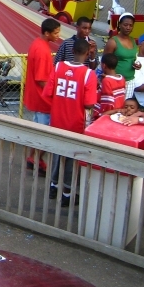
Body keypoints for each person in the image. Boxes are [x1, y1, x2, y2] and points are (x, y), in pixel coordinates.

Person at [42, 38, 97, 204]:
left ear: (72, 51)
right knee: (72, 158)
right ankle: (66, 194)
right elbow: (89, 103)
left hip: (57, 120)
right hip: (75, 123)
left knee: (56, 154)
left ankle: (53, 185)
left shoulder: (58, 67)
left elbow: (47, 93)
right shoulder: (89, 74)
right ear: (87, 53)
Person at [24, 19, 62, 171]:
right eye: (56, 33)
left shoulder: (37, 44)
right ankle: (36, 158)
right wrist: (56, 94)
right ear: (47, 33)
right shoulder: (42, 50)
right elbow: (41, 79)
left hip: (38, 98)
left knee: (39, 131)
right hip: (43, 100)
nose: (58, 35)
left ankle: (33, 158)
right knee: (47, 133)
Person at [104, 13, 138, 81]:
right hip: (116, 80)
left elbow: (133, 59)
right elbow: (104, 62)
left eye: (131, 25)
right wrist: (110, 79)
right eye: (125, 25)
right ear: (119, 25)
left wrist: (137, 65)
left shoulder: (133, 40)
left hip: (131, 80)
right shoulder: (113, 42)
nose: (128, 28)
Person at [94, 53, 127, 120]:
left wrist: (103, 114)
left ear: (104, 65)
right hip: (119, 111)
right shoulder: (122, 78)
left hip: (110, 114)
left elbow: (108, 101)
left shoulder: (106, 80)